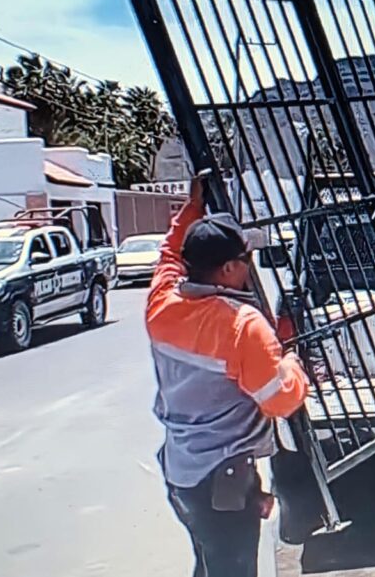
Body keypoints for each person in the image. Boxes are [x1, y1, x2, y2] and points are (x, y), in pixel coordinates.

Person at [146, 174, 309, 577]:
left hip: (182, 471)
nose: (250, 266)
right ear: (230, 267)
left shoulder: (163, 302)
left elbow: (169, 255)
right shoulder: (240, 325)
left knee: (209, 564)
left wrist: (191, 207)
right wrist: (294, 364)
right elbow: (281, 399)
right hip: (223, 482)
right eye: (246, 259)